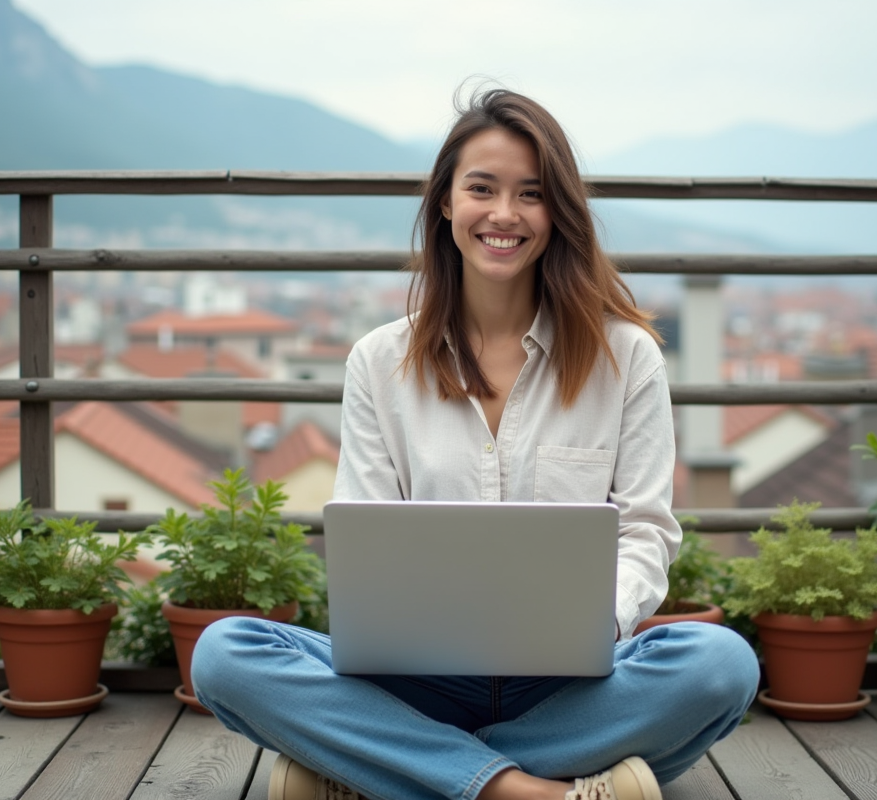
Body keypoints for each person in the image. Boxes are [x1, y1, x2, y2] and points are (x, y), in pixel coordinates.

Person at [192, 88, 759, 800]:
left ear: (557, 214)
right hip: (417, 679)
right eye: (481, 189)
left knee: (721, 666)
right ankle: (527, 791)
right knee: (224, 655)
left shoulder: (628, 357)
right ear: (445, 205)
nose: (503, 214)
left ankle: (381, 769)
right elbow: (366, 524)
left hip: (569, 680)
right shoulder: (378, 361)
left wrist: (596, 623)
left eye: (531, 194)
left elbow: (645, 531)